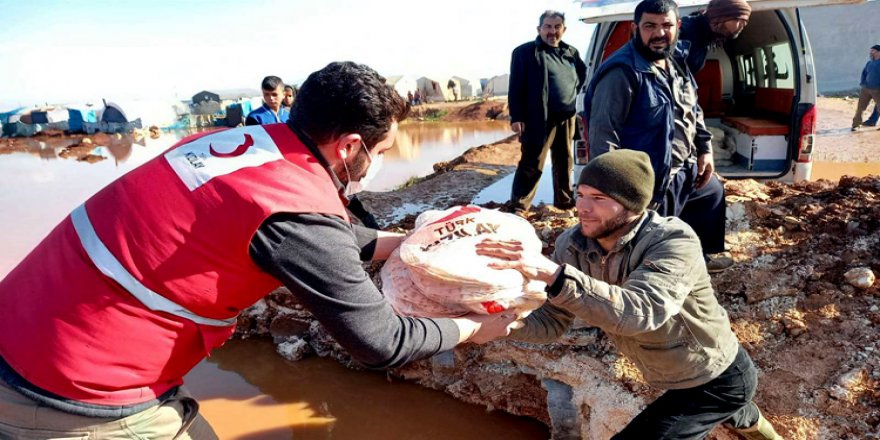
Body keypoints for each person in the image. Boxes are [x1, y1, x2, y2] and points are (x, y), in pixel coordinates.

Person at [0, 61, 508, 438]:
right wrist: (473, 329)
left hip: (22, 334)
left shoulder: (240, 148)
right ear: (350, 147)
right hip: (71, 390)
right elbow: (379, 341)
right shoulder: (296, 209)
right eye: (382, 153)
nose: (379, 163)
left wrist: (417, 244)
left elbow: (321, 242)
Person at [475, 149, 782, 440]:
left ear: (631, 204)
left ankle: (747, 417)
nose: (582, 207)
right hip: (673, 374)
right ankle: (750, 421)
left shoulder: (673, 241)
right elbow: (553, 321)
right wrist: (501, 322)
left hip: (717, 377)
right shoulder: (573, 245)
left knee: (711, 407)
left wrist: (552, 274)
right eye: (580, 194)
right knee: (735, 414)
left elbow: (640, 313)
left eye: (598, 198)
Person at [582, 0, 732, 272]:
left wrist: (704, 149)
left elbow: (692, 107)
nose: (659, 33)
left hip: (682, 168)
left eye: (667, 25)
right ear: (634, 28)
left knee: (712, 193)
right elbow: (603, 137)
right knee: (647, 242)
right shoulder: (622, 72)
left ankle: (701, 258)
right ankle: (647, 277)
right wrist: (617, 193)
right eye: (650, 26)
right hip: (649, 179)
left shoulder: (676, 63)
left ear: (679, 27)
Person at [508, 10, 587, 215]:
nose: (552, 31)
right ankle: (519, 205)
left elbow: (582, 76)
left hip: (566, 117)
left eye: (557, 27)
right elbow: (515, 87)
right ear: (539, 29)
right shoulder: (525, 53)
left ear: (564, 29)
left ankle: (564, 202)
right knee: (533, 161)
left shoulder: (571, 52)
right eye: (548, 27)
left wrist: (571, 99)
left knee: (565, 161)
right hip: (538, 118)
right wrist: (516, 117)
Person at [680, 0, 752, 74]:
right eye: (739, 20)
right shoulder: (685, 28)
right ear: (721, 15)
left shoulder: (706, 39)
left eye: (745, 22)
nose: (742, 26)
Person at [852, 44, 880, 131]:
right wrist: (863, 83)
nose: (870, 52)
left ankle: (872, 122)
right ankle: (856, 125)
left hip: (877, 89)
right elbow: (864, 73)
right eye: (870, 51)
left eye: (873, 51)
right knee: (860, 108)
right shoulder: (869, 62)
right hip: (866, 89)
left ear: (878, 52)